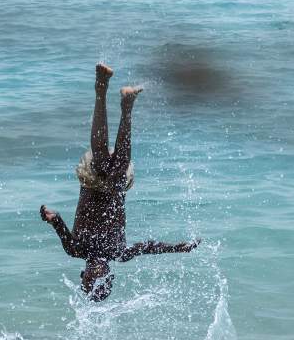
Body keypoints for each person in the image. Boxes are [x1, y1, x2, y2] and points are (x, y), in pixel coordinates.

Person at [40, 63, 199, 301]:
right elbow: (149, 247)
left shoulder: (75, 250)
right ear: (110, 276)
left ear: (83, 274)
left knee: (103, 164)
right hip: (120, 180)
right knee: (114, 175)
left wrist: (49, 217)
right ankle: (124, 103)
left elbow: (59, 225)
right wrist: (178, 247)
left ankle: (105, 92)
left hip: (91, 178)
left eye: (89, 280)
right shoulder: (119, 253)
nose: (96, 275)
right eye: (100, 281)